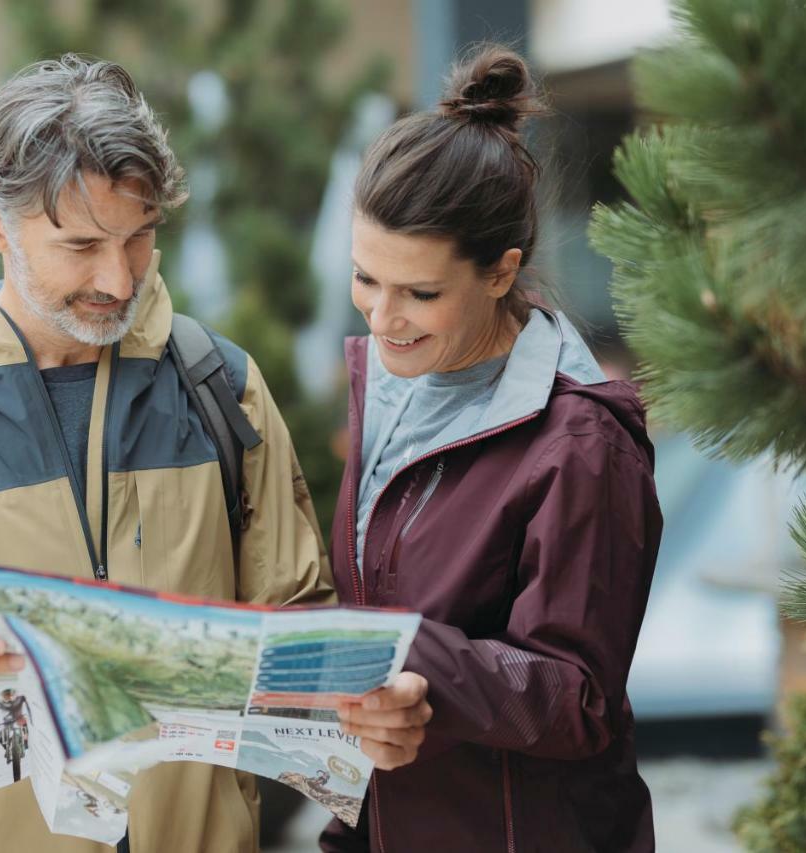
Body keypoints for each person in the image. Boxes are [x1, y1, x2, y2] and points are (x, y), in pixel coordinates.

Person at [0, 54, 332, 853]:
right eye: (81, 244)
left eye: (140, 237)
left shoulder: (225, 390)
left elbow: (304, 631)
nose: (118, 278)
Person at [322, 46, 662, 852]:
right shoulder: (388, 389)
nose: (382, 315)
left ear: (502, 271)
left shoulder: (581, 444)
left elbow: (579, 698)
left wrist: (403, 651)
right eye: (365, 278)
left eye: (421, 292)